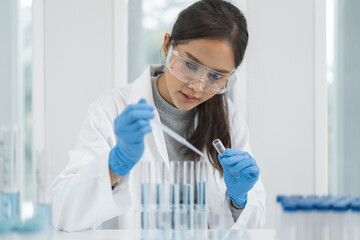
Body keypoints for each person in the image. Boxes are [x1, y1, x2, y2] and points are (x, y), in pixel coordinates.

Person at [52, 0, 266, 232]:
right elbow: (62, 214)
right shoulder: (111, 109)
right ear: (167, 47)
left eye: (215, 76)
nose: (197, 86)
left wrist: (238, 200)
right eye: (191, 65)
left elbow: (253, 225)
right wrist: (116, 164)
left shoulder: (230, 119)